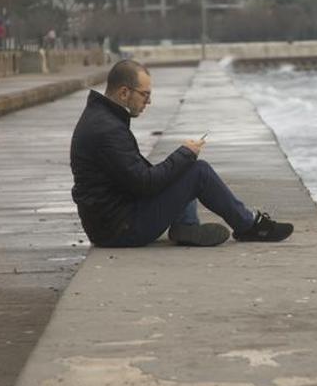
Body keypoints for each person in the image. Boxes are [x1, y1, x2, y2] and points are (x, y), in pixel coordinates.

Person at [69, 59, 293, 247]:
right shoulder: (108, 130)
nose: (149, 102)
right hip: (119, 229)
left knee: (181, 168)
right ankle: (249, 226)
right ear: (124, 92)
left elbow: (133, 178)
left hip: (110, 221)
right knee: (198, 171)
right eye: (144, 95)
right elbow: (144, 184)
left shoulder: (101, 118)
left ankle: (186, 227)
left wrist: (181, 158)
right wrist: (185, 153)